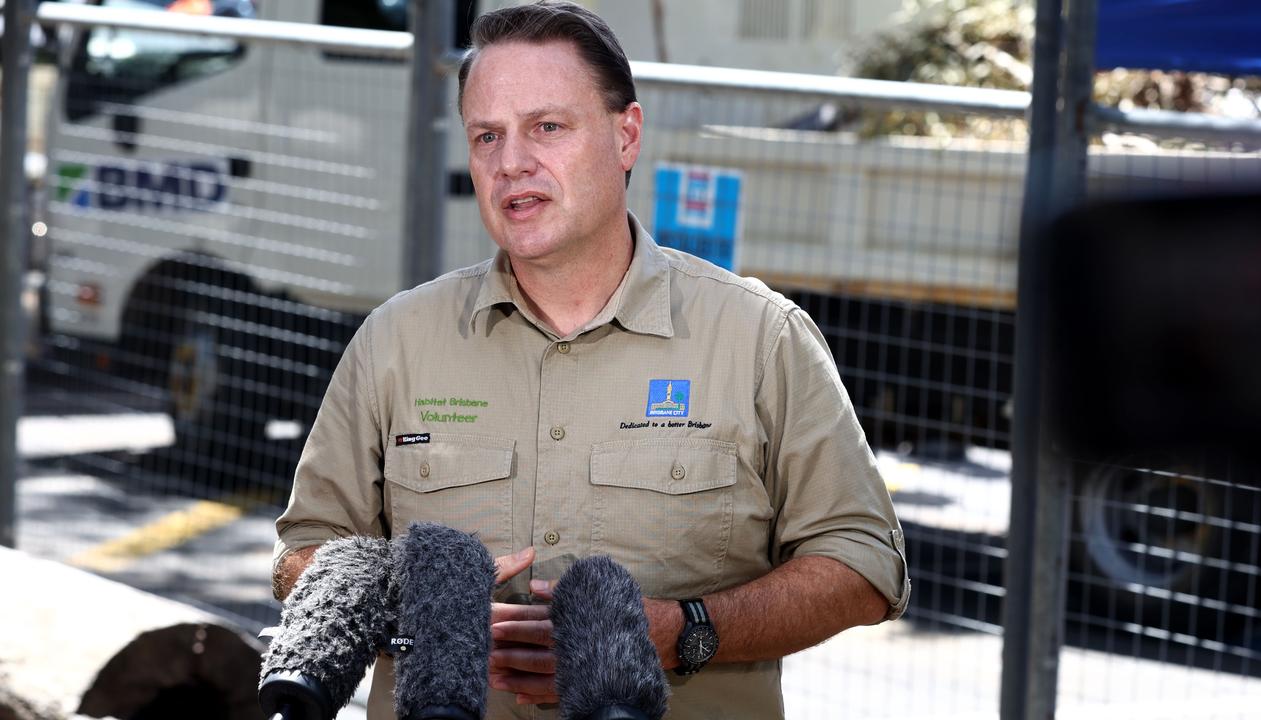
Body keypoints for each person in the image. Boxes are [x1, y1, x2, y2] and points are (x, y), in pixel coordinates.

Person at [272, 2, 910, 718]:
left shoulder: (760, 339)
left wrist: (685, 632)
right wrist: (414, 603)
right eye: (488, 136)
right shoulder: (396, 341)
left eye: (547, 127)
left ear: (626, 134)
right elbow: (306, 553)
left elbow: (864, 565)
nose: (513, 162)